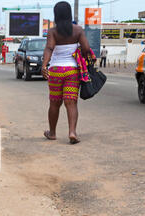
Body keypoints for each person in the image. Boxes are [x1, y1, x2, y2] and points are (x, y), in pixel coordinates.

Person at [41, 1, 91, 145]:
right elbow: (86, 48)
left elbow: (49, 48)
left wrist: (44, 65)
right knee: (71, 102)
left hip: (56, 71)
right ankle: (72, 132)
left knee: (54, 103)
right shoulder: (78, 30)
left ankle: (52, 133)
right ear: (69, 14)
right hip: (72, 71)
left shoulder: (53, 32)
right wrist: (82, 55)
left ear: (56, 15)